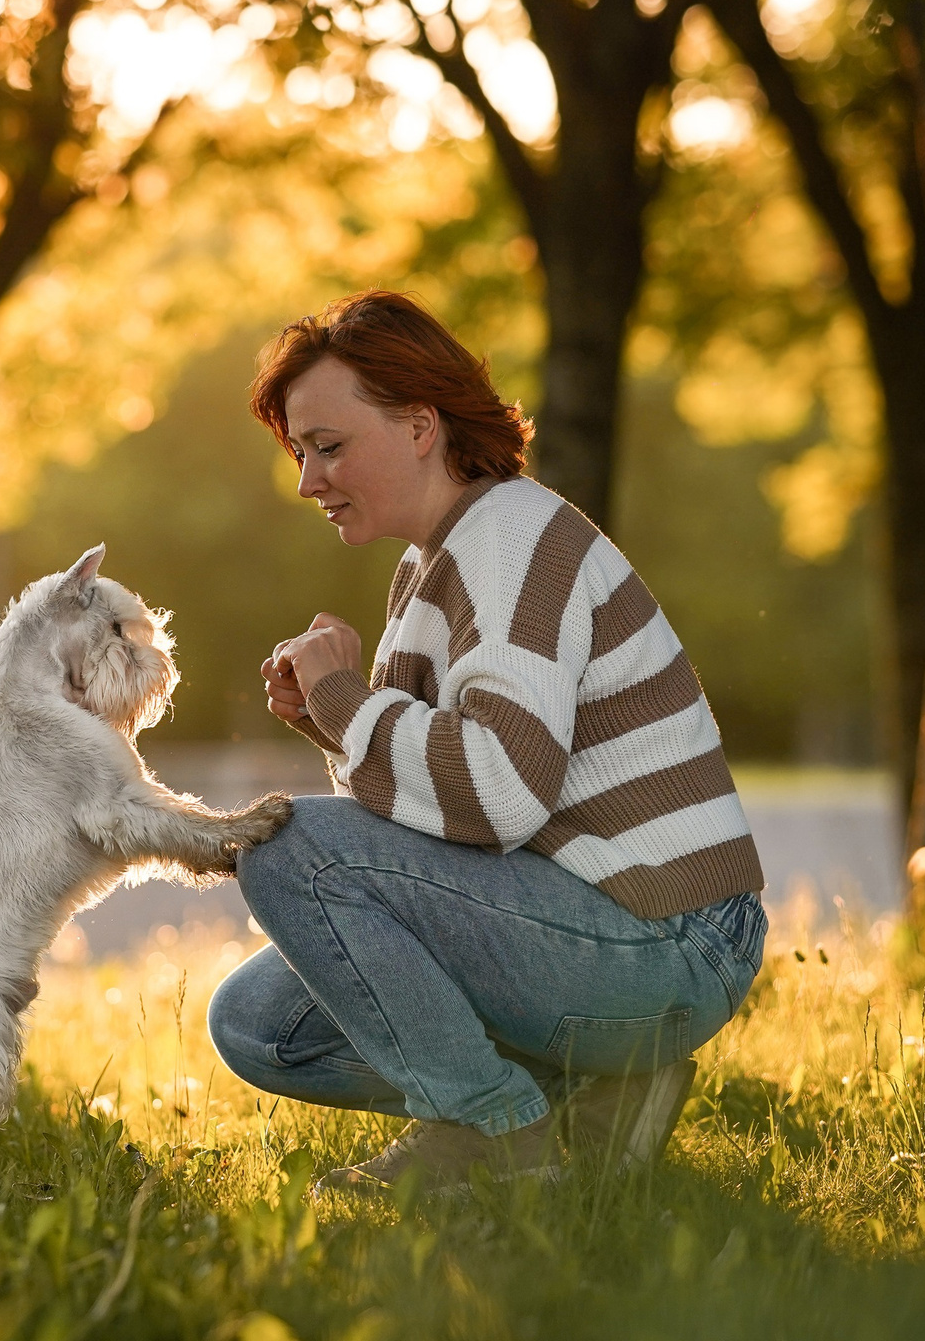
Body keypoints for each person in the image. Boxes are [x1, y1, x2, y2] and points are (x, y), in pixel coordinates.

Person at [206, 289, 767, 1196]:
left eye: (330, 445)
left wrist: (351, 702)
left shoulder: (509, 541)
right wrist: (329, 719)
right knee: (258, 1021)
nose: (309, 480)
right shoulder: (431, 565)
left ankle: (494, 1134)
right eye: (301, 452)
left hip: (667, 937)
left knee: (290, 846)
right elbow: (422, 836)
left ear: (421, 425)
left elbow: (499, 793)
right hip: (588, 929)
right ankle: (594, 1096)